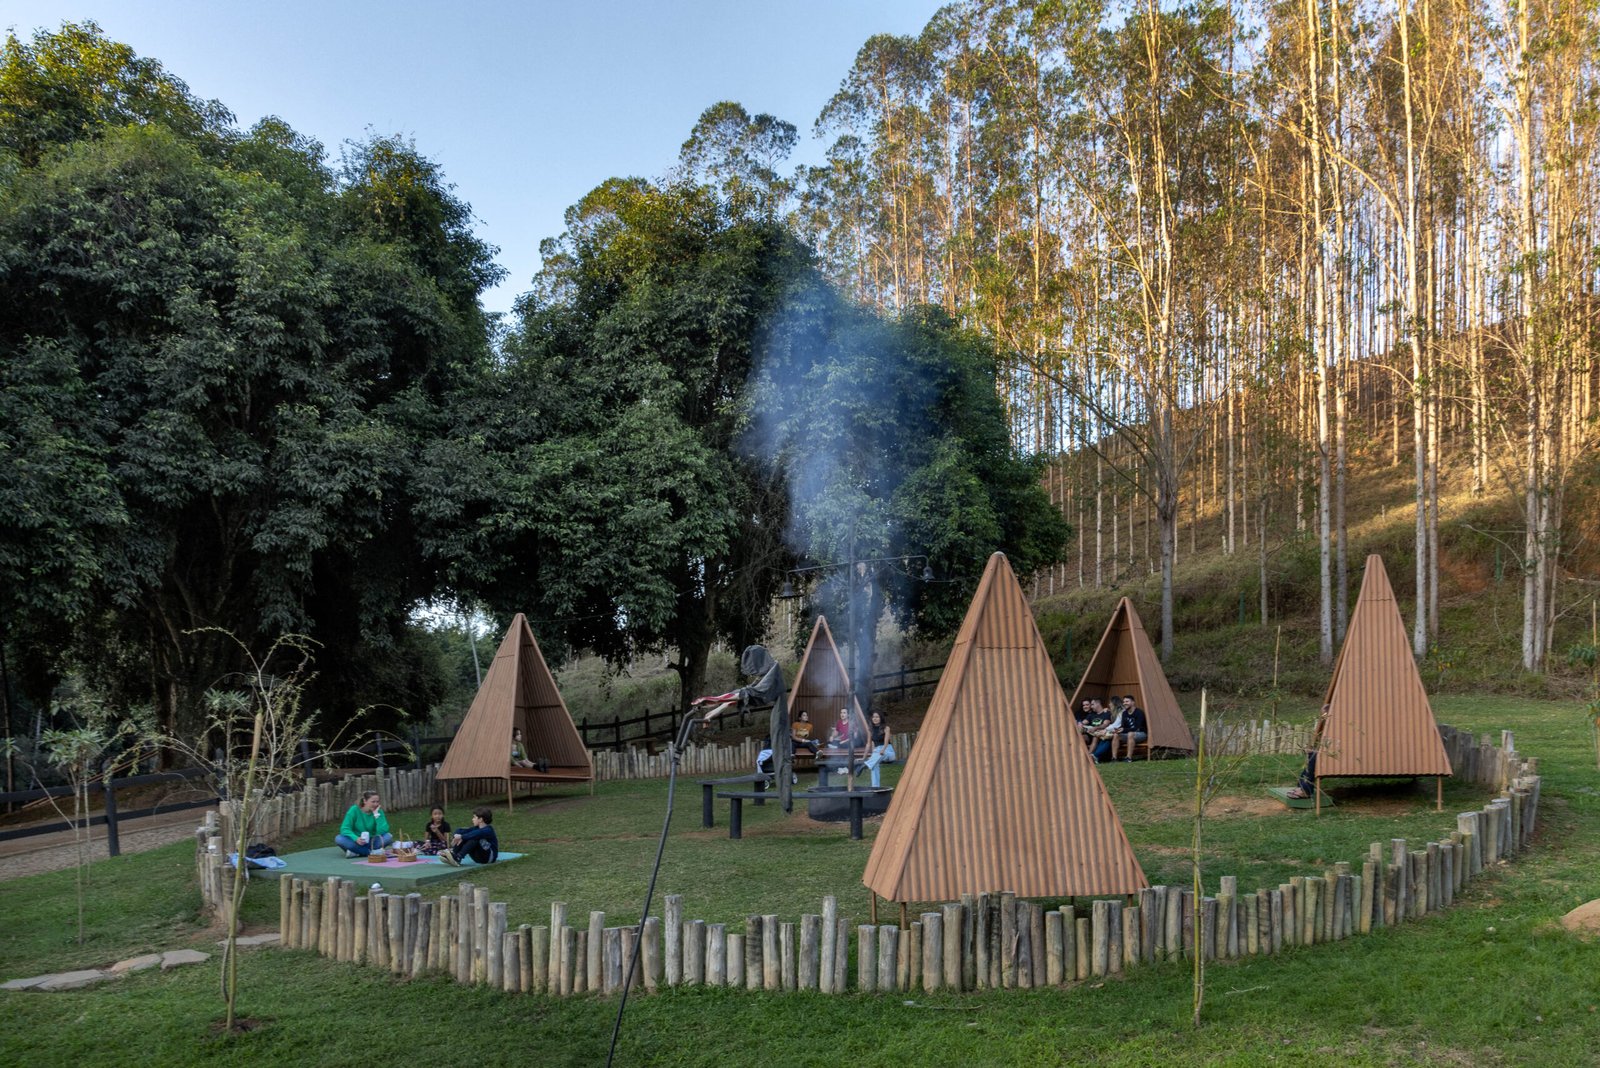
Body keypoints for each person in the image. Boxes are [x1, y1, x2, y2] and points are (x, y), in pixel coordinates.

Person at [1286, 703, 1332, 799]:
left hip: (1333, 757)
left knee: (1313, 757)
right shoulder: (1328, 726)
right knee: (1311, 755)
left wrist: (1317, 752)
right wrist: (1314, 750)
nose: (1322, 717)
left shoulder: (1335, 727)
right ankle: (1301, 787)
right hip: (1328, 754)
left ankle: (1305, 790)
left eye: (1324, 714)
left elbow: (1332, 747)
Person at [335, 790, 393, 857]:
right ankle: (371, 852)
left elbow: (383, 831)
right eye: (373, 802)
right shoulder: (354, 810)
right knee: (339, 839)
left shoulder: (379, 812)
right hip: (356, 841)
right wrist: (356, 838)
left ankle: (357, 852)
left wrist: (376, 815)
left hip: (373, 841)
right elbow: (345, 828)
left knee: (388, 836)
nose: (376, 804)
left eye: (377, 802)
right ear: (365, 801)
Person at [1092, 695, 1148, 763]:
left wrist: (1123, 730)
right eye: (1124, 702)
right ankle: (1114, 758)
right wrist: (1118, 730)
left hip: (1141, 733)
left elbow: (1138, 728)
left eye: (1127, 701)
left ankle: (1128, 758)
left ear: (1133, 702)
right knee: (1116, 735)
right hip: (1128, 733)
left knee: (1130, 734)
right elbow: (1123, 726)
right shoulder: (1124, 713)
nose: (1125, 703)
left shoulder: (1139, 712)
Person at [858, 710, 895, 787]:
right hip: (877, 751)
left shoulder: (886, 728)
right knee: (874, 764)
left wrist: (883, 750)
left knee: (881, 755)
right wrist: (863, 757)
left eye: (877, 717)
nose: (875, 718)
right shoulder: (870, 730)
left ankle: (866, 764)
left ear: (881, 718)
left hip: (888, 751)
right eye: (873, 717)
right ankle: (875, 787)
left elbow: (886, 742)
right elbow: (868, 744)